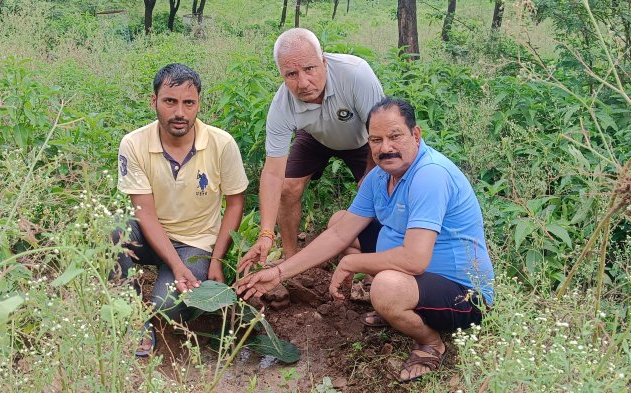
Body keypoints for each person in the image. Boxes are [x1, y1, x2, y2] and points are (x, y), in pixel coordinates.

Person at [236, 97, 494, 382]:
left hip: (465, 295)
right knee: (339, 221)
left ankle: (430, 343)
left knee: (384, 288)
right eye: (376, 139)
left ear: (416, 135)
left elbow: (415, 260)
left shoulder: (430, 175)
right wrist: (278, 272)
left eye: (395, 136)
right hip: (420, 274)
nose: (386, 148)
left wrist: (353, 262)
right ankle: (397, 305)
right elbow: (338, 233)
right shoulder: (379, 179)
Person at [112, 63, 248, 357]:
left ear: (199, 103)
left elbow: (235, 203)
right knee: (114, 228)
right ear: (154, 101)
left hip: (195, 243)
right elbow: (144, 212)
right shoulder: (134, 144)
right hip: (151, 235)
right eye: (170, 101)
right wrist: (175, 265)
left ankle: (164, 291)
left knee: (168, 308)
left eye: (189, 103)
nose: (180, 112)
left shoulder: (221, 144)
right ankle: (135, 318)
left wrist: (216, 260)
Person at [240, 27, 384, 268]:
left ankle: (379, 256)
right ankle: (291, 259)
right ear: (281, 75)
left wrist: (371, 171)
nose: (303, 83)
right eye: (291, 74)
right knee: (288, 187)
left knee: (380, 192)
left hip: (364, 139)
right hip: (316, 136)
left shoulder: (356, 74)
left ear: (324, 62)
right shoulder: (282, 107)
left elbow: (381, 132)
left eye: (309, 69)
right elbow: (273, 172)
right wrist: (266, 232)